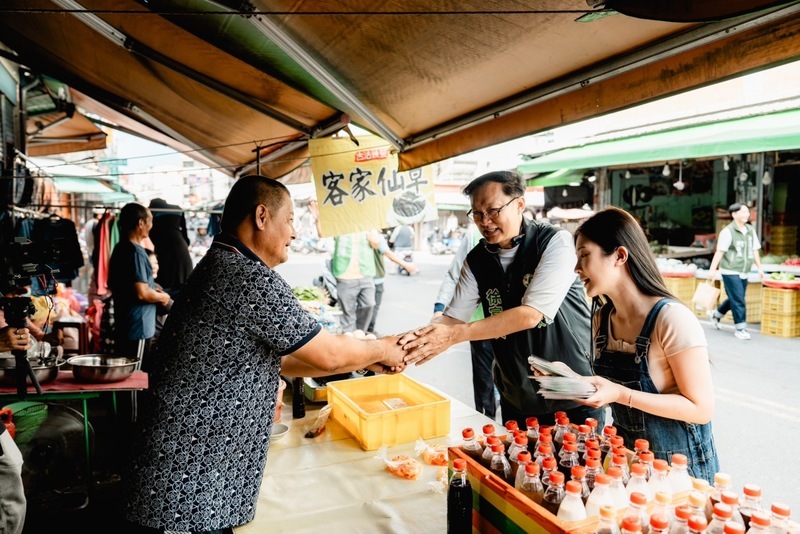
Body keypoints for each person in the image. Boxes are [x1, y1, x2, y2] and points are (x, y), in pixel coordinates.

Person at [123, 175, 407, 534]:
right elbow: (329, 356)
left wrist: (368, 359)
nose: (294, 232)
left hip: (190, 474)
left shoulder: (221, 263)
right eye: (289, 219)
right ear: (261, 217)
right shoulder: (246, 276)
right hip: (187, 483)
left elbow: (269, 356)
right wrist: (383, 347)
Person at [399, 171, 603, 427]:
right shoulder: (477, 259)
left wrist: (454, 335)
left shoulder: (554, 242)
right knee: (516, 464)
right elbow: (452, 319)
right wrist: (408, 346)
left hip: (573, 394)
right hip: (517, 396)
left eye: (493, 210)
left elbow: (530, 314)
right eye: (477, 213)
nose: (485, 221)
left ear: (519, 204)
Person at [573, 207, 719, 482]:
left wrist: (618, 393)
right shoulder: (602, 319)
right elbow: (613, 394)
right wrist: (572, 383)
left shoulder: (671, 318)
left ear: (619, 255)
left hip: (679, 473)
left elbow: (701, 409)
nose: (577, 268)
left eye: (584, 255)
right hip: (627, 465)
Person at [433, 224, 497, 419]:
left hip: (516, 326)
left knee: (513, 381)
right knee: (484, 379)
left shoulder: (532, 237)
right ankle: (487, 422)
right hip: (479, 325)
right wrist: (439, 308)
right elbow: (454, 274)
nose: (485, 220)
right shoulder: (473, 236)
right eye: (477, 212)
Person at [107, 203, 171, 364]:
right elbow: (142, 292)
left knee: (127, 375)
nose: (151, 226)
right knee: (136, 378)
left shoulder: (120, 248)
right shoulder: (136, 252)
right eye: (150, 221)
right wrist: (163, 298)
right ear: (141, 223)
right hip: (138, 328)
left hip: (125, 325)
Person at [707, 203, 764, 340]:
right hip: (730, 270)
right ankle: (740, 329)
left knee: (736, 298)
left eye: (747, 212)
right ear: (734, 215)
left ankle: (716, 314)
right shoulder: (728, 231)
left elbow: (754, 250)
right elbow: (720, 251)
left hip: (744, 270)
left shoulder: (750, 230)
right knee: (738, 299)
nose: (746, 215)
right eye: (743, 212)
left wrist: (760, 268)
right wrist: (712, 269)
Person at [365, 230, 417, 335]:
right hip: (375, 278)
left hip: (360, 278)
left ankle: (361, 331)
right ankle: (369, 330)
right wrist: (406, 265)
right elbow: (388, 253)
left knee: (362, 307)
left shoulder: (359, 234)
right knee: (374, 306)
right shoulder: (377, 236)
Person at [148, 198, 194, 298]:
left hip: (164, 251)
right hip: (182, 250)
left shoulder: (152, 212)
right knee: (183, 289)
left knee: (165, 288)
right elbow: (185, 235)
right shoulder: (177, 209)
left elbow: (151, 234)